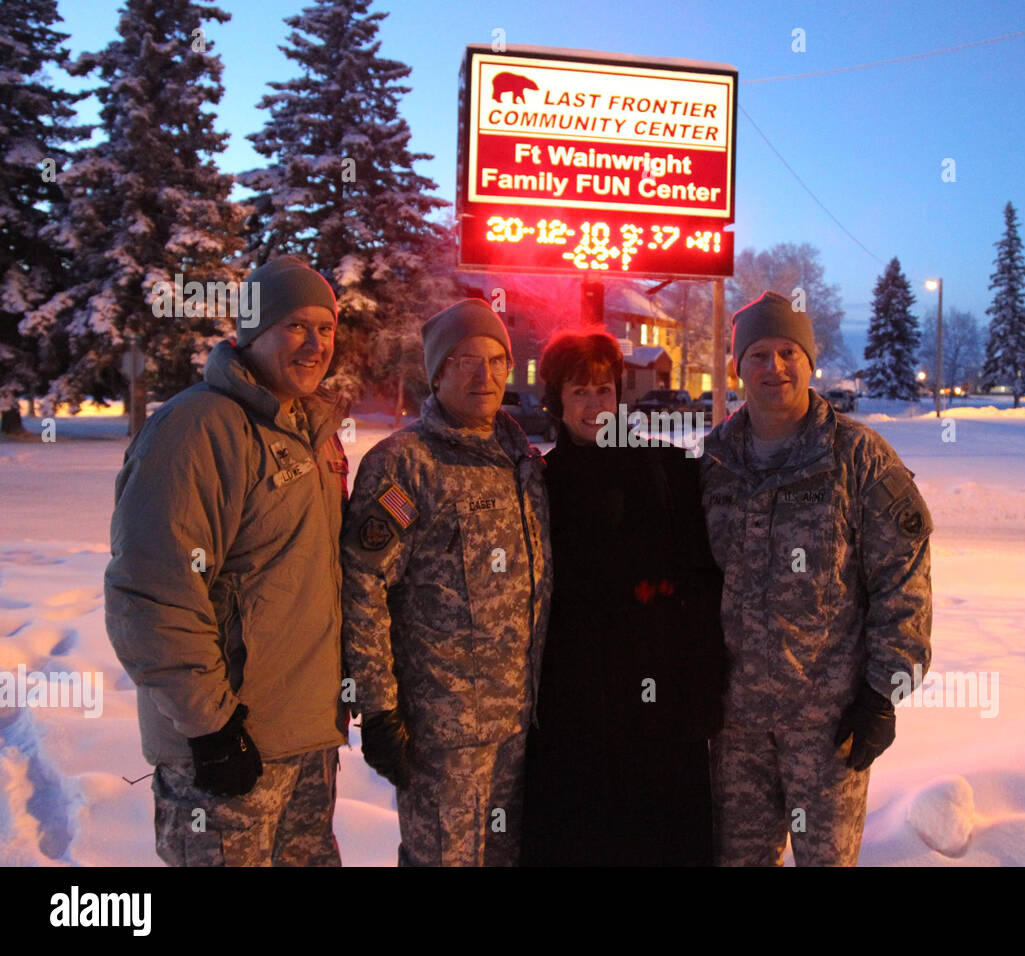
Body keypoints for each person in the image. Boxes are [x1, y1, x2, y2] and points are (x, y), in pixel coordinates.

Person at [104, 255, 350, 866]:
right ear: (250, 333)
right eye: (296, 325)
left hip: (306, 744)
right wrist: (211, 725)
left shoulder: (311, 434)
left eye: (326, 328)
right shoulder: (198, 428)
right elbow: (153, 590)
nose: (316, 344)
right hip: (226, 750)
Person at [700, 290, 933, 867]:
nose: (773, 367)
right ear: (737, 367)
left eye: (788, 352)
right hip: (736, 730)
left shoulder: (859, 457)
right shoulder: (714, 462)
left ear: (809, 361)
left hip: (828, 728)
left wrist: (884, 694)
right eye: (757, 354)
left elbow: (903, 582)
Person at [341, 298, 550, 867]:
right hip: (443, 734)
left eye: (495, 360)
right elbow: (364, 586)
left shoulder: (523, 463)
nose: (483, 376)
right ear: (437, 372)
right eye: (464, 361)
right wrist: (379, 710)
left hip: (518, 728)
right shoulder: (406, 465)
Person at [520, 330, 724, 867]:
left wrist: (702, 688)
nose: (593, 405)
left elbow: (701, 583)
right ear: (557, 400)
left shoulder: (667, 471)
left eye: (604, 390)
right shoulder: (538, 482)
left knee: (658, 841)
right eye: (579, 391)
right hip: (572, 705)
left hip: (658, 703)